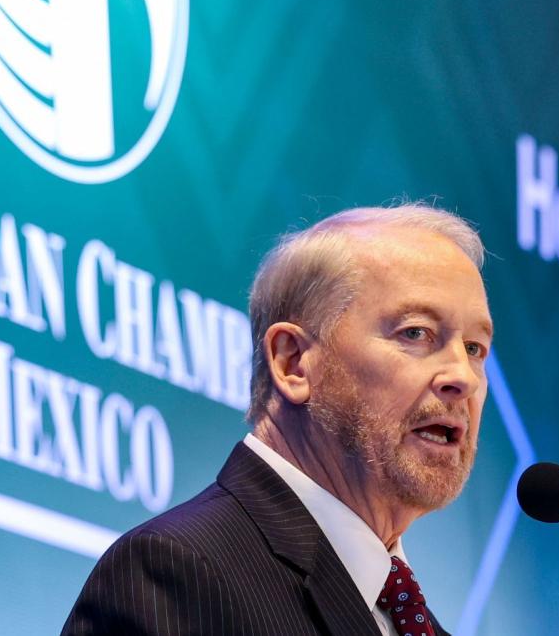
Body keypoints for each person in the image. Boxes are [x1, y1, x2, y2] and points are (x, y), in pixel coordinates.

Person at [61, 203, 493, 636]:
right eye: (416, 333)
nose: (463, 377)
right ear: (293, 362)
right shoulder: (178, 573)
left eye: (474, 348)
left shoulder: (417, 622)